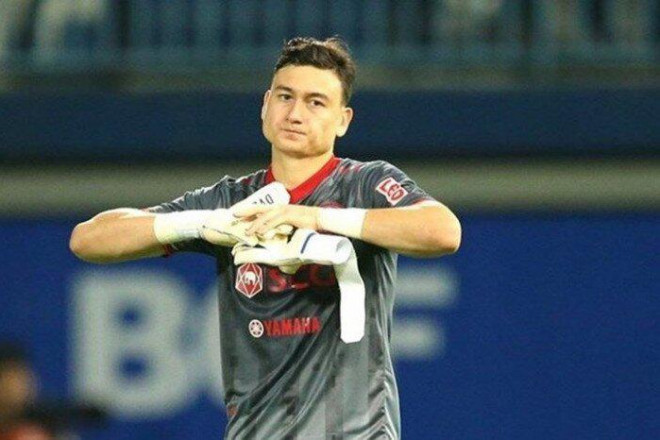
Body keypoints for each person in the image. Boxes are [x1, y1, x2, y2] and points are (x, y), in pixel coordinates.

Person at [69, 36, 461, 439]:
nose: (295, 113)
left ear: (343, 120)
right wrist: (203, 223)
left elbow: (442, 230)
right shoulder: (232, 202)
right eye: (285, 97)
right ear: (265, 105)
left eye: (316, 102)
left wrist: (316, 219)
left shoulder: (365, 184)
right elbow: (88, 240)